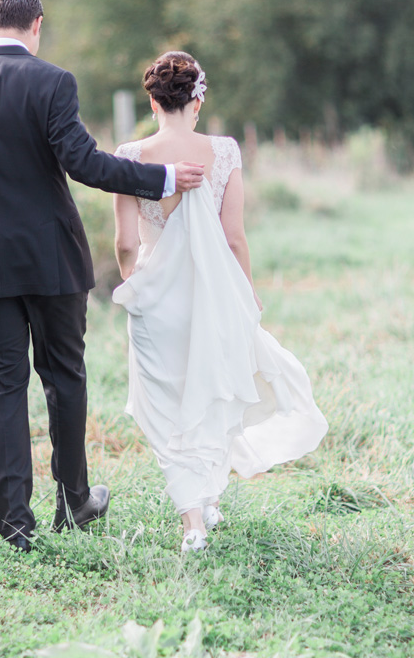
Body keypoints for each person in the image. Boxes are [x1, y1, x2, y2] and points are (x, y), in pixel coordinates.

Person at [0, 0, 206, 552]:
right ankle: (74, 502)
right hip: (52, 260)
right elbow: (84, 164)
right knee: (64, 378)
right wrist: (162, 178)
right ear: (36, 25)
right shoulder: (52, 81)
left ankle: (15, 526)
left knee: (2, 388)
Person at [111, 51, 327, 552]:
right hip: (212, 297)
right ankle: (203, 504)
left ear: (151, 100)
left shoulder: (128, 155)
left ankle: (194, 520)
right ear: (198, 100)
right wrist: (245, 294)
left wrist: (134, 284)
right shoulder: (225, 152)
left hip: (155, 297)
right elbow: (234, 239)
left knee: (167, 404)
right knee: (210, 389)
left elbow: (124, 243)